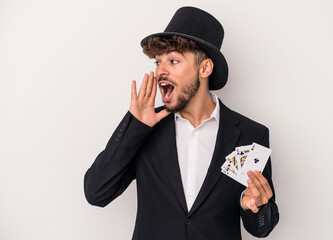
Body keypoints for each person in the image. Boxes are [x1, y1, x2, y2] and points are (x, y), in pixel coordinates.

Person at [84, 6, 279, 240]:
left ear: (205, 68)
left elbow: (261, 228)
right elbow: (96, 193)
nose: (160, 72)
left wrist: (255, 207)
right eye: (157, 62)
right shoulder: (145, 128)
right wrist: (134, 126)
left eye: (173, 61)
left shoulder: (250, 134)